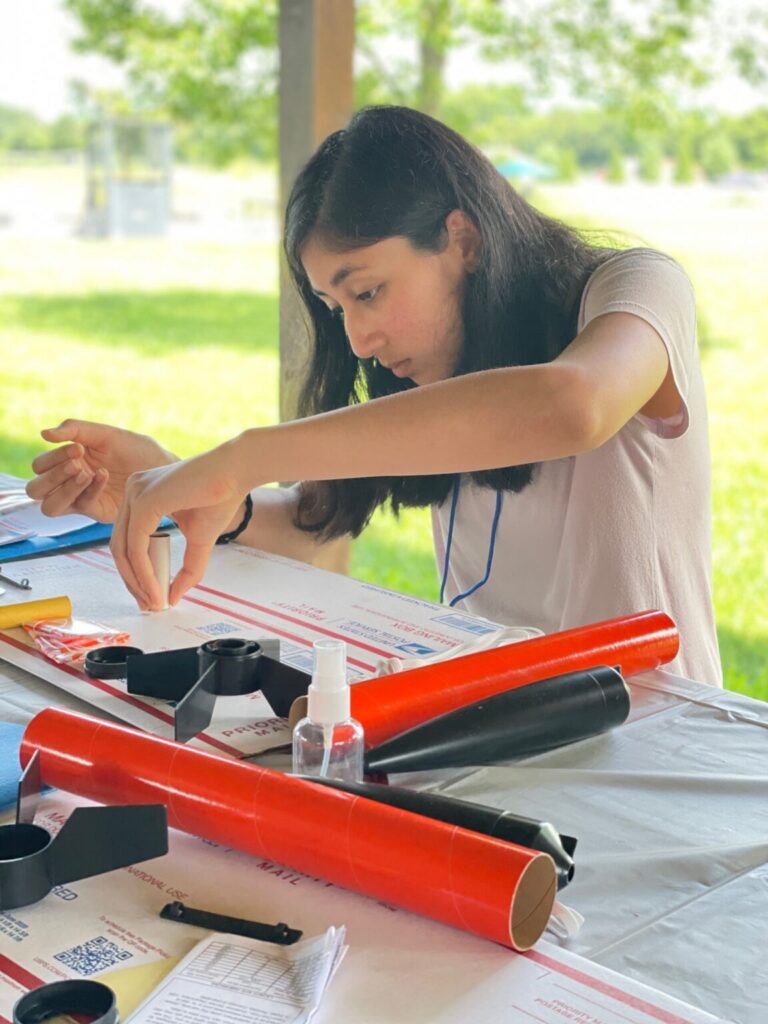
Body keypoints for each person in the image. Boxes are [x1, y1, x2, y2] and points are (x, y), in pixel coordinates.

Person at [27, 105, 722, 686]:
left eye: (367, 292)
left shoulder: (635, 287)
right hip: (497, 723)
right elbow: (313, 519)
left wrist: (245, 455)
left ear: (464, 240)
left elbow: (575, 406)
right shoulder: (436, 369)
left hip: (655, 735)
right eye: (336, 308)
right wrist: (208, 499)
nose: (358, 339)